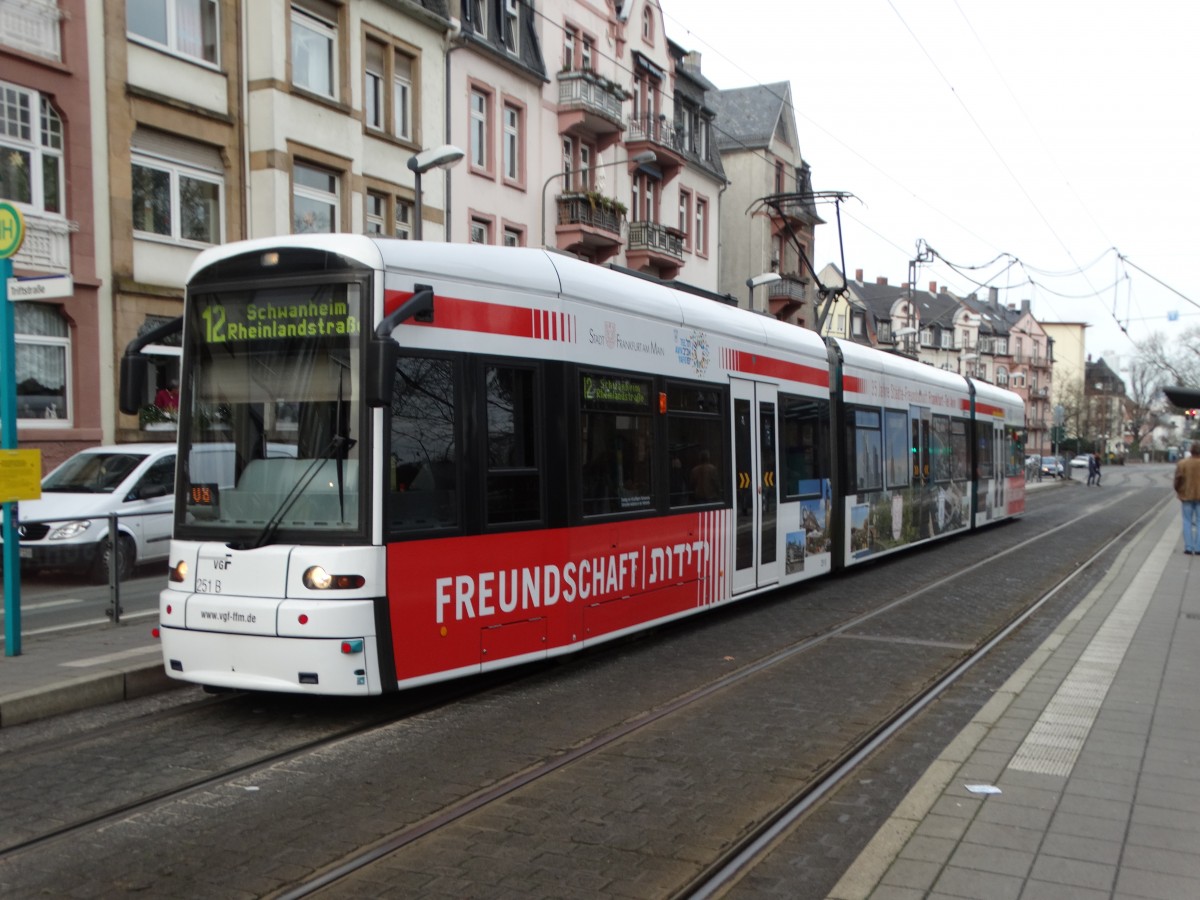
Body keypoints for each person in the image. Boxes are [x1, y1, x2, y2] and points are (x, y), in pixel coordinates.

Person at [1175, 441, 1200, 555]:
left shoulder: (1182, 463)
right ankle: (1198, 547)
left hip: (1186, 495)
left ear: (1191, 451)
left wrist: (1178, 490)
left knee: (1187, 521)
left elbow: (1177, 480)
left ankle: (1188, 547)